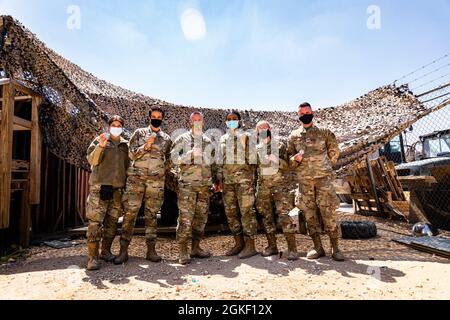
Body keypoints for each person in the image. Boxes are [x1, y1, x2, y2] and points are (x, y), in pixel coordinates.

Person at [114, 107, 173, 264]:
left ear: (162, 119)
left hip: (155, 182)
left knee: (152, 215)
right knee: (130, 214)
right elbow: (131, 154)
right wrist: (145, 146)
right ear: (149, 117)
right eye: (153, 116)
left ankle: (151, 251)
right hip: (136, 181)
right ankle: (123, 251)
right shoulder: (139, 133)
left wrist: (160, 171)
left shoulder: (167, 139)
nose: (156, 118)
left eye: (159, 117)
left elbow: (169, 161)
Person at [288, 102, 345, 261]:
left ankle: (336, 248)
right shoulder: (293, 136)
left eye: (308, 111)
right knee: (309, 214)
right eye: (302, 113)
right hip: (304, 182)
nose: (305, 114)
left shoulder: (325, 132)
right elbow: (289, 160)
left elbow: (334, 152)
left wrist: (324, 167)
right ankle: (317, 247)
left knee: (328, 212)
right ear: (298, 116)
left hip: (323, 180)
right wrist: (295, 159)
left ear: (312, 112)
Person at [171, 112, 221, 265]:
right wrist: (190, 154)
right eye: (195, 120)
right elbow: (173, 159)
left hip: (204, 187)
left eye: (200, 120)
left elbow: (213, 164)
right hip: (187, 186)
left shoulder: (207, 142)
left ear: (203, 122)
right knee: (186, 218)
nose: (197, 123)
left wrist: (217, 179)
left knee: (201, 218)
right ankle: (183, 251)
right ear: (190, 122)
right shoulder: (182, 139)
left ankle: (195, 247)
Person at [85, 115, 129, 271]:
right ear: (109, 126)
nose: (116, 127)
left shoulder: (125, 145)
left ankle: (105, 251)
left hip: (117, 190)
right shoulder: (100, 139)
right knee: (95, 224)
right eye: (114, 124)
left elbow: (127, 167)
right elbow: (92, 160)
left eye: (119, 125)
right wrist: (101, 146)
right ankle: (92, 258)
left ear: (122, 127)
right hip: (100, 188)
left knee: (112, 223)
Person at [254, 121, 299, 260]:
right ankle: (272, 246)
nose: (263, 130)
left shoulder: (279, 145)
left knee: (284, 216)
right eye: (260, 128)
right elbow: (256, 171)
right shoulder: (256, 149)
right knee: (266, 217)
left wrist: (277, 160)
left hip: (280, 187)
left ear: (270, 129)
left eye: (265, 127)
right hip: (263, 187)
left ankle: (292, 249)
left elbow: (289, 166)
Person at [219, 111, 258, 259]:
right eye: (229, 119)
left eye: (234, 119)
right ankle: (239, 243)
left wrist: (244, 145)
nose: (231, 121)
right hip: (228, 182)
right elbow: (220, 160)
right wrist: (218, 178)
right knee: (231, 213)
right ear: (225, 122)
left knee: (247, 212)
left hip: (244, 182)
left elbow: (254, 159)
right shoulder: (223, 138)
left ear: (240, 121)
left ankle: (250, 246)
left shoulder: (247, 136)